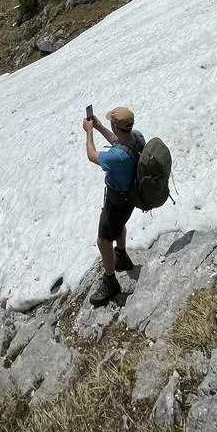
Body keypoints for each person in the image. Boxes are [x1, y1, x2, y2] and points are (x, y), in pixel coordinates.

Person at [83, 106, 145, 307]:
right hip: (130, 198)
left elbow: (92, 155)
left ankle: (110, 281)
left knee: (103, 240)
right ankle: (122, 256)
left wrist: (90, 131)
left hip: (115, 200)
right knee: (119, 225)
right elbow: (119, 142)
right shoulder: (137, 137)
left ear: (116, 125)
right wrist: (100, 126)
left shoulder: (116, 158)